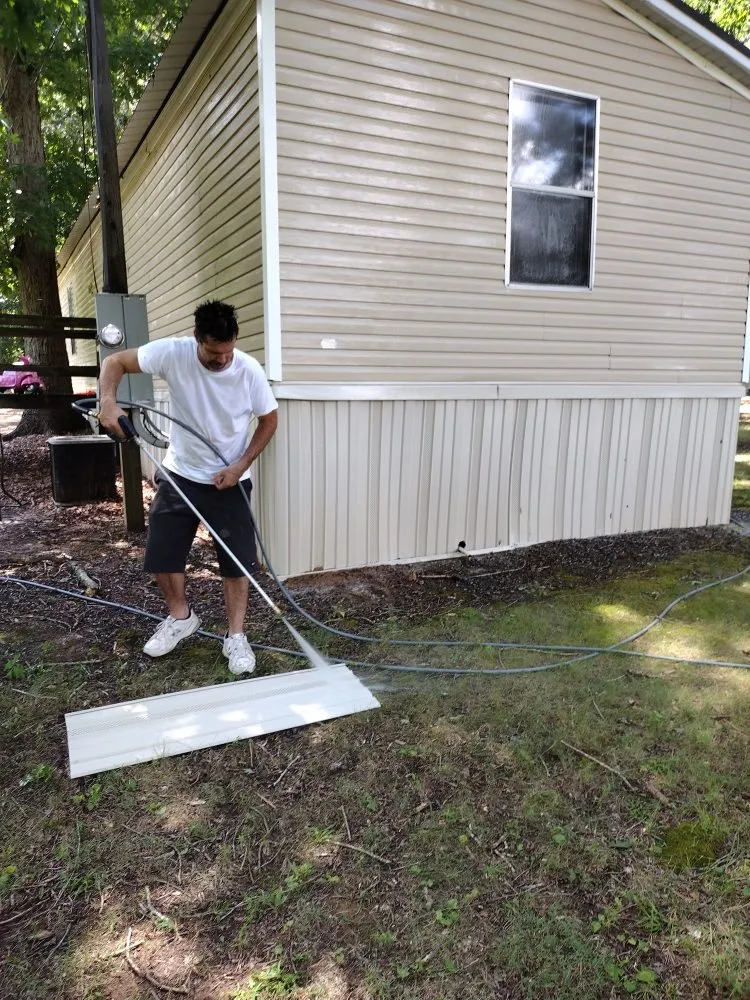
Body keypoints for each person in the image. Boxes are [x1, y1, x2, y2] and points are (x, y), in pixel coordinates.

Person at [98, 299, 278, 674]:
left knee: (236, 564)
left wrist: (239, 465)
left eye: (228, 351)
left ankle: (236, 636)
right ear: (197, 338)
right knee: (161, 556)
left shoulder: (248, 370)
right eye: (214, 353)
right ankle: (181, 618)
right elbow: (114, 362)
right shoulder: (172, 354)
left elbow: (269, 421)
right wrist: (108, 401)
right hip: (181, 474)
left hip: (230, 481)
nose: (222, 360)